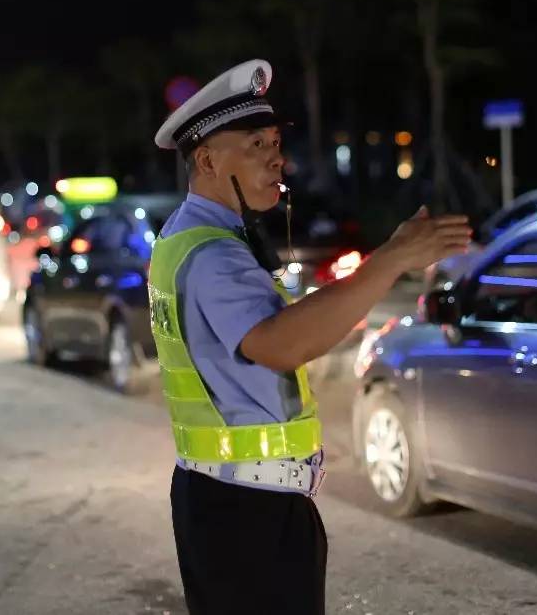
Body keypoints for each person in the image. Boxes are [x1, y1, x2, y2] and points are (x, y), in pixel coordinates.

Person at [150, 59, 471, 615]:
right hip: (244, 514)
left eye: (275, 141)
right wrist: (388, 261)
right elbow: (279, 343)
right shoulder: (211, 252)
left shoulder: (201, 235)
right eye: (255, 144)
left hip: (235, 503)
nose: (277, 157)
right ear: (206, 159)